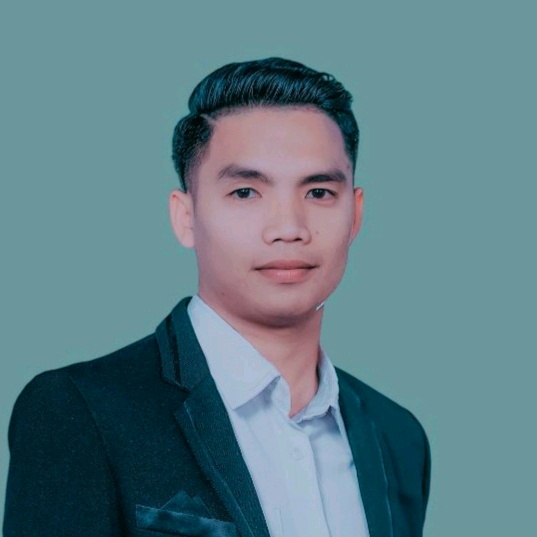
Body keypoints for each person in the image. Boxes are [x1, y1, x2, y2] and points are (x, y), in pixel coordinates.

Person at [3, 57, 431, 537]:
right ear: (186, 217)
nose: (289, 228)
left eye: (318, 193)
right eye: (246, 192)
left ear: (355, 214)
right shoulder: (79, 412)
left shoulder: (398, 437)